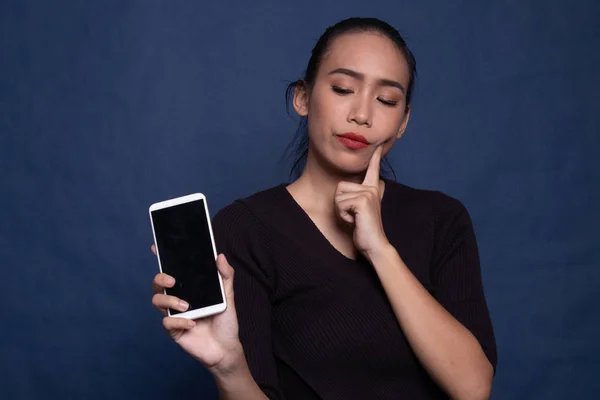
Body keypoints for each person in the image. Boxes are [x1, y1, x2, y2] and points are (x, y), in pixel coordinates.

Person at [151, 17, 497, 400]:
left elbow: (473, 388)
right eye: (343, 88)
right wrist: (228, 367)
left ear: (403, 123)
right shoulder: (245, 229)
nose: (362, 115)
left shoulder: (442, 219)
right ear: (303, 97)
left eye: (386, 100)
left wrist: (380, 251)